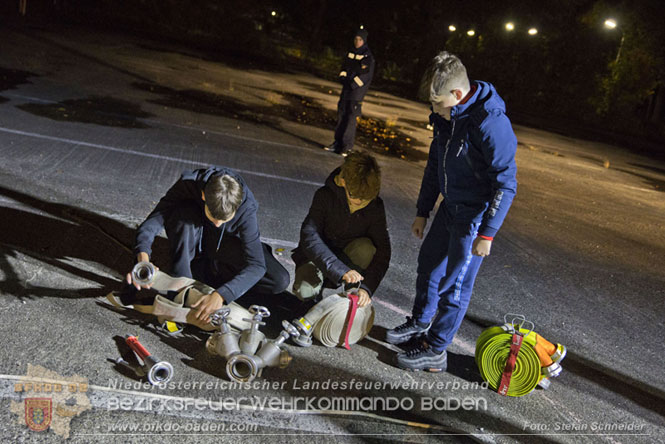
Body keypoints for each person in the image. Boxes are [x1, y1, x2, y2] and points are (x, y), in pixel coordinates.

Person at [386, 51, 518, 372]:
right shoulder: (448, 116)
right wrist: (423, 211)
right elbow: (435, 165)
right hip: (449, 208)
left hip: (473, 218)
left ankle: (436, 348)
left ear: (457, 95)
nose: (432, 109)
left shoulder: (489, 123)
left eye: (436, 102)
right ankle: (420, 324)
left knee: (454, 285)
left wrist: (487, 233)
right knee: (428, 268)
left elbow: (506, 182)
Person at [123, 166, 290, 323]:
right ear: (203, 196)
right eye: (213, 217)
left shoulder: (246, 207)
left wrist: (221, 295)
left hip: (226, 246)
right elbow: (153, 221)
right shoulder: (188, 184)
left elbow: (257, 265)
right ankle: (182, 283)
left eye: (224, 219)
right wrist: (142, 257)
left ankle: (213, 281)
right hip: (197, 241)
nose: (218, 223)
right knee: (183, 212)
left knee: (279, 279)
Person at [292, 152, 390, 307]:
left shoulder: (375, 207)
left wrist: (367, 288)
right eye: (355, 197)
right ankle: (316, 289)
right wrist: (339, 270)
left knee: (367, 248)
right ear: (343, 182)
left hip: (347, 257)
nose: (359, 202)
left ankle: (351, 292)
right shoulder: (324, 195)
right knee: (305, 292)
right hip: (317, 258)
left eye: (365, 199)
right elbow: (309, 237)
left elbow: (383, 251)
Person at [325, 28, 375, 156]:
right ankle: (337, 143)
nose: (357, 42)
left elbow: (365, 76)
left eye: (360, 39)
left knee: (350, 119)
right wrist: (342, 78)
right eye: (356, 39)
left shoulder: (368, 57)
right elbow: (344, 67)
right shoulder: (350, 53)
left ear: (364, 41)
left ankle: (347, 147)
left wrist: (352, 84)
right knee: (341, 116)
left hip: (356, 93)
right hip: (346, 91)